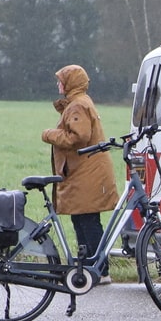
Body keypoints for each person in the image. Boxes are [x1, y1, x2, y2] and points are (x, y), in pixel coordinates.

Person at [40, 65, 119, 283]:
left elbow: (78, 137)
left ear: (70, 83)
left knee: (88, 220)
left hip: (87, 173)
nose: (58, 84)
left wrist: (49, 134)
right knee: (82, 219)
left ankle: (99, 270)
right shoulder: (79, 103)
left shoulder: (78, 106)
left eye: (61, 80)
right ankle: (90, 267)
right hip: (85, 171)